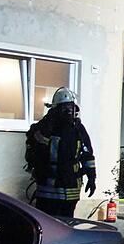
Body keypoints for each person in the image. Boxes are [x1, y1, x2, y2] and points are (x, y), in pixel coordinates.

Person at [27, 87, 96, 218]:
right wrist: (48, 126)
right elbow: (37, 148)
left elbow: (87, 155)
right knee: (47, 223)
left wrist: (92, 178)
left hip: (71, 188)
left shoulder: (78, 129)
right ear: (55, 109)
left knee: (67, 224)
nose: (68, 111)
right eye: (64, 108)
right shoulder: (44, 127)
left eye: (71, 108)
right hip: (48, 190)